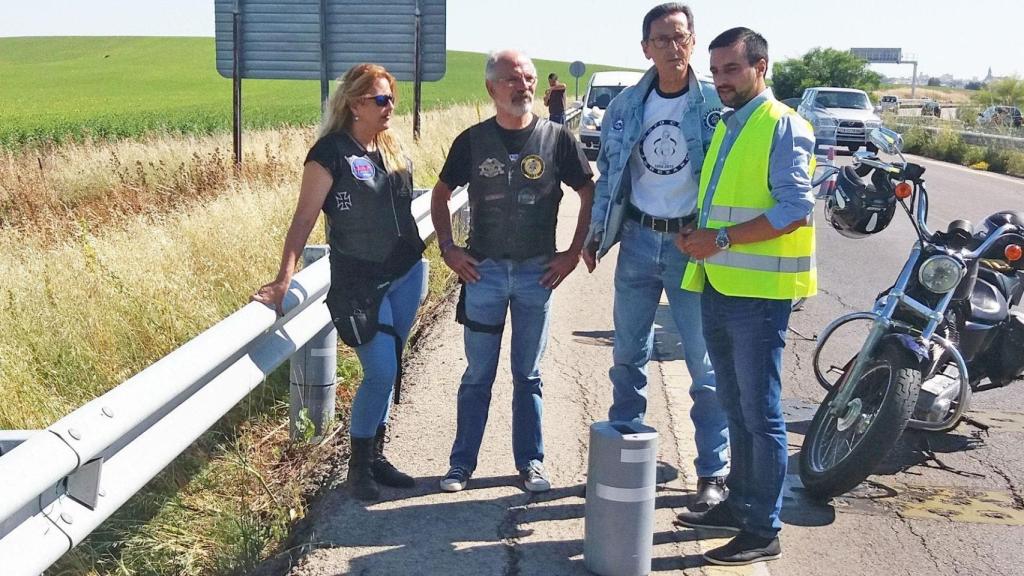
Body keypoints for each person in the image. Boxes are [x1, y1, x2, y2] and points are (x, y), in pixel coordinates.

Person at [252, 64, 427, 502]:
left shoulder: (391, 148)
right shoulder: (329, 153)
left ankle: (377, 458)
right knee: (380, 369)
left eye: (392, 99)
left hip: (406, 273)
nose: (390, 108)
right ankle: (357, 468)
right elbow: (304, 219)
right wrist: (282, 281)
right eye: (380, 100)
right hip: (359, 282)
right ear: (355, 104)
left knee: (391, 368)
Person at [675, 27, 816, 566]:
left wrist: (721, 240)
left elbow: (793, 209)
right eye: (715, 72)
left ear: (761, 67)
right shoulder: (735, 123)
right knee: (735, 407)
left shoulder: (782, 125)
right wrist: (698, 234)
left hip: (757, 297)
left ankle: (763, 529)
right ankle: (739, 504)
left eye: (732, 69)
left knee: (761, 414)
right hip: (719, 283)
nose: (722, 81)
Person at [581, 2, 729, 512]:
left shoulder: (715, 105)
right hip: (640, 241)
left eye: (681, 37)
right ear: (645, 47)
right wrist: (595, 236)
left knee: (704, 365)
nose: (673, 47)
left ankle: (713, 472)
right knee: (627, 353)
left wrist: (714, 233)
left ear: (693, 42)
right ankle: (626, 450)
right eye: (662, 39)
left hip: (693, 248)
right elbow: (610, 176)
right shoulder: (625, 106)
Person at [431, 49, 594, 493]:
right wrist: (448, 249)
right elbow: (441, 194)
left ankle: (531, 463)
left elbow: (588, 194)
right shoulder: (471, 140)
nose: (521, 86)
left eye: (527, 78)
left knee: (528, 375)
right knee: (477, 375)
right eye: (510, 79)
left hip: (535, 276)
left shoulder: (558, 139)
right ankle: (461, 465)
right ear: (491, 88)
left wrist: (572, 252)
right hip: (482, 275)